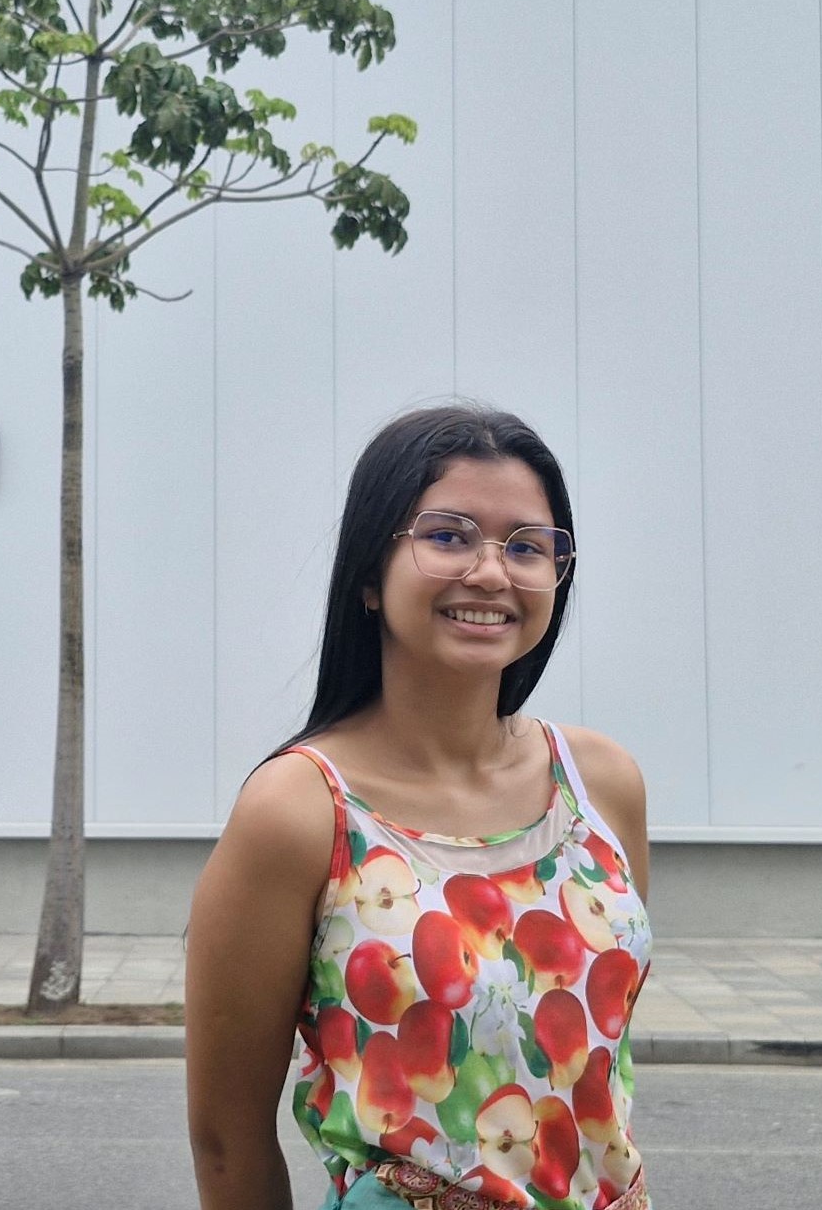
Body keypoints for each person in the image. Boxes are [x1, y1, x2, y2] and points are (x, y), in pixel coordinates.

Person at [186, 401, 653, 1210]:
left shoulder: (601, 782)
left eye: (527, 546)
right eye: (448, 535)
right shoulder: (299, 811)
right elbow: (226, 1137)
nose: (491, 571)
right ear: (371, 573)